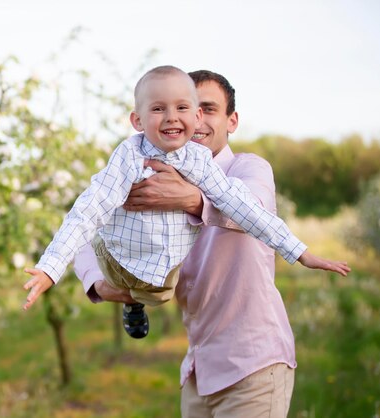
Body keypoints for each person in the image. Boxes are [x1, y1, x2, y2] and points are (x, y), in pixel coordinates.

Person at [74, 70, 350, 416]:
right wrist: (100, 284)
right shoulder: (148, 168)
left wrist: (190, 200)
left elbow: (254, 211)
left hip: (253, 365)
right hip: (198, 370)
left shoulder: (249, 169)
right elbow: (85, 227)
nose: (198, 120)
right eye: (193, 109)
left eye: (210, 109)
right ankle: (136, 297)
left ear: (231, 121)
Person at [23, 66, 349, 341]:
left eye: (188, 108)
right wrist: (51, 270)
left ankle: (135, 300)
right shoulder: (129, 157)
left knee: (160, 292)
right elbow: (87, 212)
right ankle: (131, 293)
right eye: (159, 108)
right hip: (123, 258)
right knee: (101, 221)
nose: (172, 117)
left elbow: (247, 208)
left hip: (226, 327)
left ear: (226, 120)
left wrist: (300, 252)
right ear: (137, 120)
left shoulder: (235, 167)